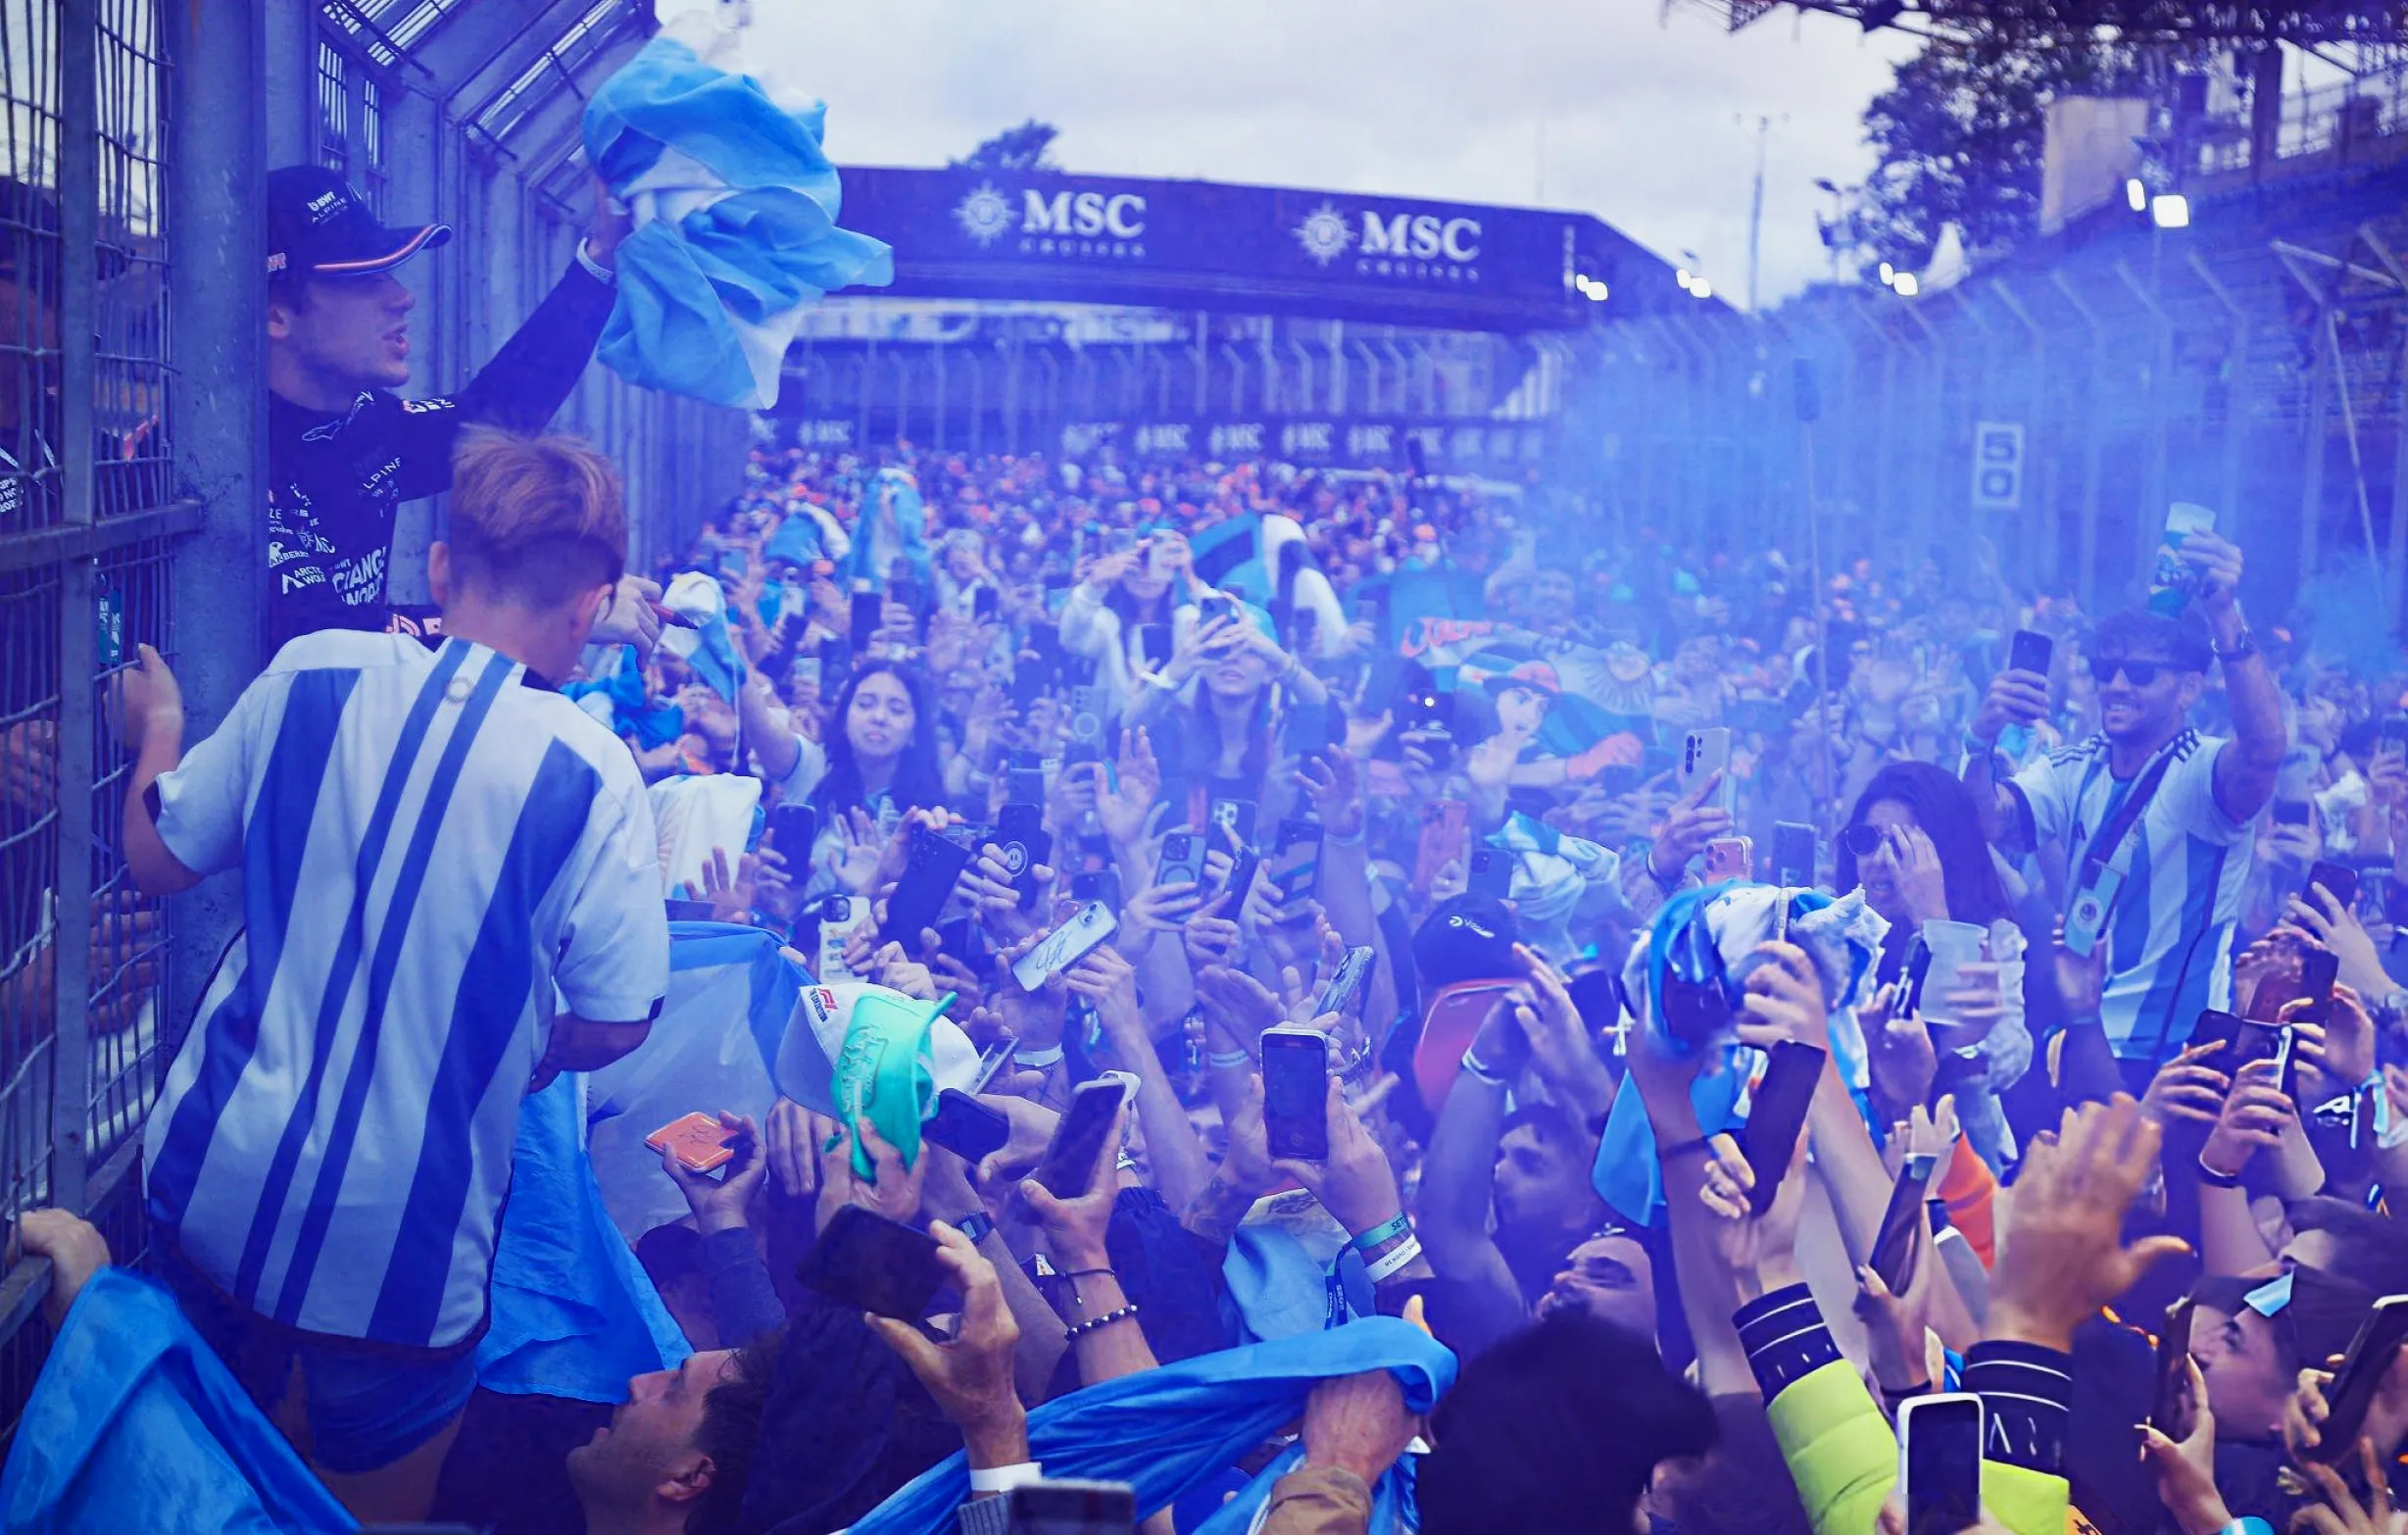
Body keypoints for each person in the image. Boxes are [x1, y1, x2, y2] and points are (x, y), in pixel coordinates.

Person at [117, 428, 670, 1521]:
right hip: (406, 1264)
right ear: (589, 608)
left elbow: (158, 858)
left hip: (211, 1185)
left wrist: (162, 725)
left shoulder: (314, 667)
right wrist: (527, 1051)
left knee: (175, 1493)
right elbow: (615, 1022)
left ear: (438, 567)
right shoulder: (594, 769)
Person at [262, 166, 659, 658]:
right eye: (364, 279)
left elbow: (494, 412)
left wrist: (602, 260)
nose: (402, 297)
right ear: (276, 315)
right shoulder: (231, 466)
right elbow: (328, 649)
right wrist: (552, 612)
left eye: (389, 271)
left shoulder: (359, 421)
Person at [1965, 532, 2285, 1085]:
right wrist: (1980, 741)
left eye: (2139, 673)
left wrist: (2226, 615)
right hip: (2073, 1041)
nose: (2115, 684)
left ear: (2188, 689)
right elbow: (1987, 822)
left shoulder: (2203, 775)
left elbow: (2264, 751)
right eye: (2104, 669)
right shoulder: (2074, 767)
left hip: (2175, 1061)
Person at [1835, 760, 2030, 1167]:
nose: (1882, 859)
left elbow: (2007, 1062)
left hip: (1955, 1162)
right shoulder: (1834, 925)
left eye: (1905, 845)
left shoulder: (1993, 939)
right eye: (1868, 840)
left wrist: (1934, 921)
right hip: (1850, 1156)